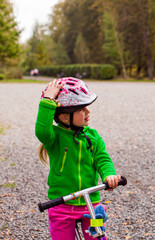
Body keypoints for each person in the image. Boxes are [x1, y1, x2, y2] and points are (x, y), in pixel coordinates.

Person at [35, 77, 122, 240]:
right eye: (82, 109)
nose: (88, 112)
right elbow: (42, 131)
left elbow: (102, 159)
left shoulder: (93, 136)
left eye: (87, 107)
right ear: (64, 117)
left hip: (90, 203)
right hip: (61, 204)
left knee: (98, 237)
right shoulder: (55, 138)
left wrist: (108, 175)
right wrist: (48, 100)